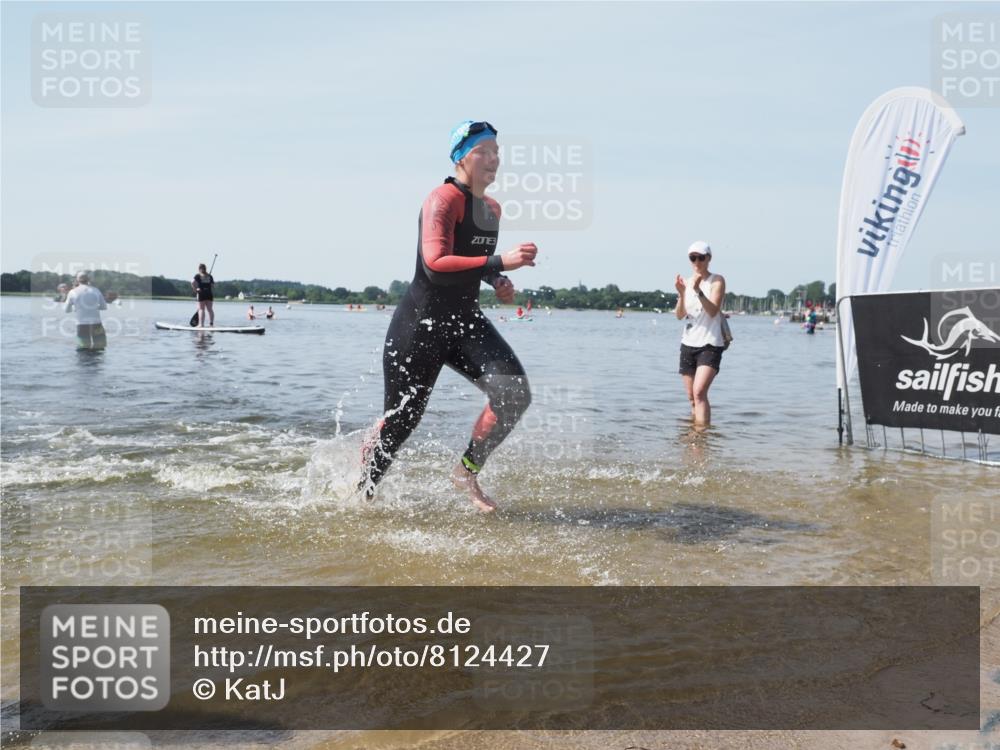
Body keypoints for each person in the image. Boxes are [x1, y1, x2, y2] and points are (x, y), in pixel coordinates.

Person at [360, 120, 538, 512]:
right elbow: (436, 262)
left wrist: (497, 278)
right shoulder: (441, 199)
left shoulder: (491, 209)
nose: (494, 159)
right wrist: (499, 259)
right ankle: (361, 495)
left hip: (464, 323)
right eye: (483, 151)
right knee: (401, 425)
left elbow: (474, 259)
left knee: (514, 394)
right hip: (420, 326)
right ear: (460, 157)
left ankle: (466, 472)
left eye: (497, 151)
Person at [674, 241, 726, 426]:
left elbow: (713, 311)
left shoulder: (716, 280)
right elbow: (680, 315)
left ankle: (703, 437)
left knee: (699, 392)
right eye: (692, 257)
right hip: (688, 343)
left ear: (709, 258)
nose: (697, 261)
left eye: (701, 257)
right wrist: (682, 294)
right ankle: (694, 436)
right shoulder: (686, 282)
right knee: (691, 397)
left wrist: (697, 291)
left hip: (710, 344)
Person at [64, 272, 108, 350]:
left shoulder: (72, 292)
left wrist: (75, 308)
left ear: (77, 280)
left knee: (83, 350)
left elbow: (66, 310)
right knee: (100, 349)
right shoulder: (96, 290)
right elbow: (104, 307)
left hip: (82, 325)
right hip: (96, 323)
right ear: (88, 279)